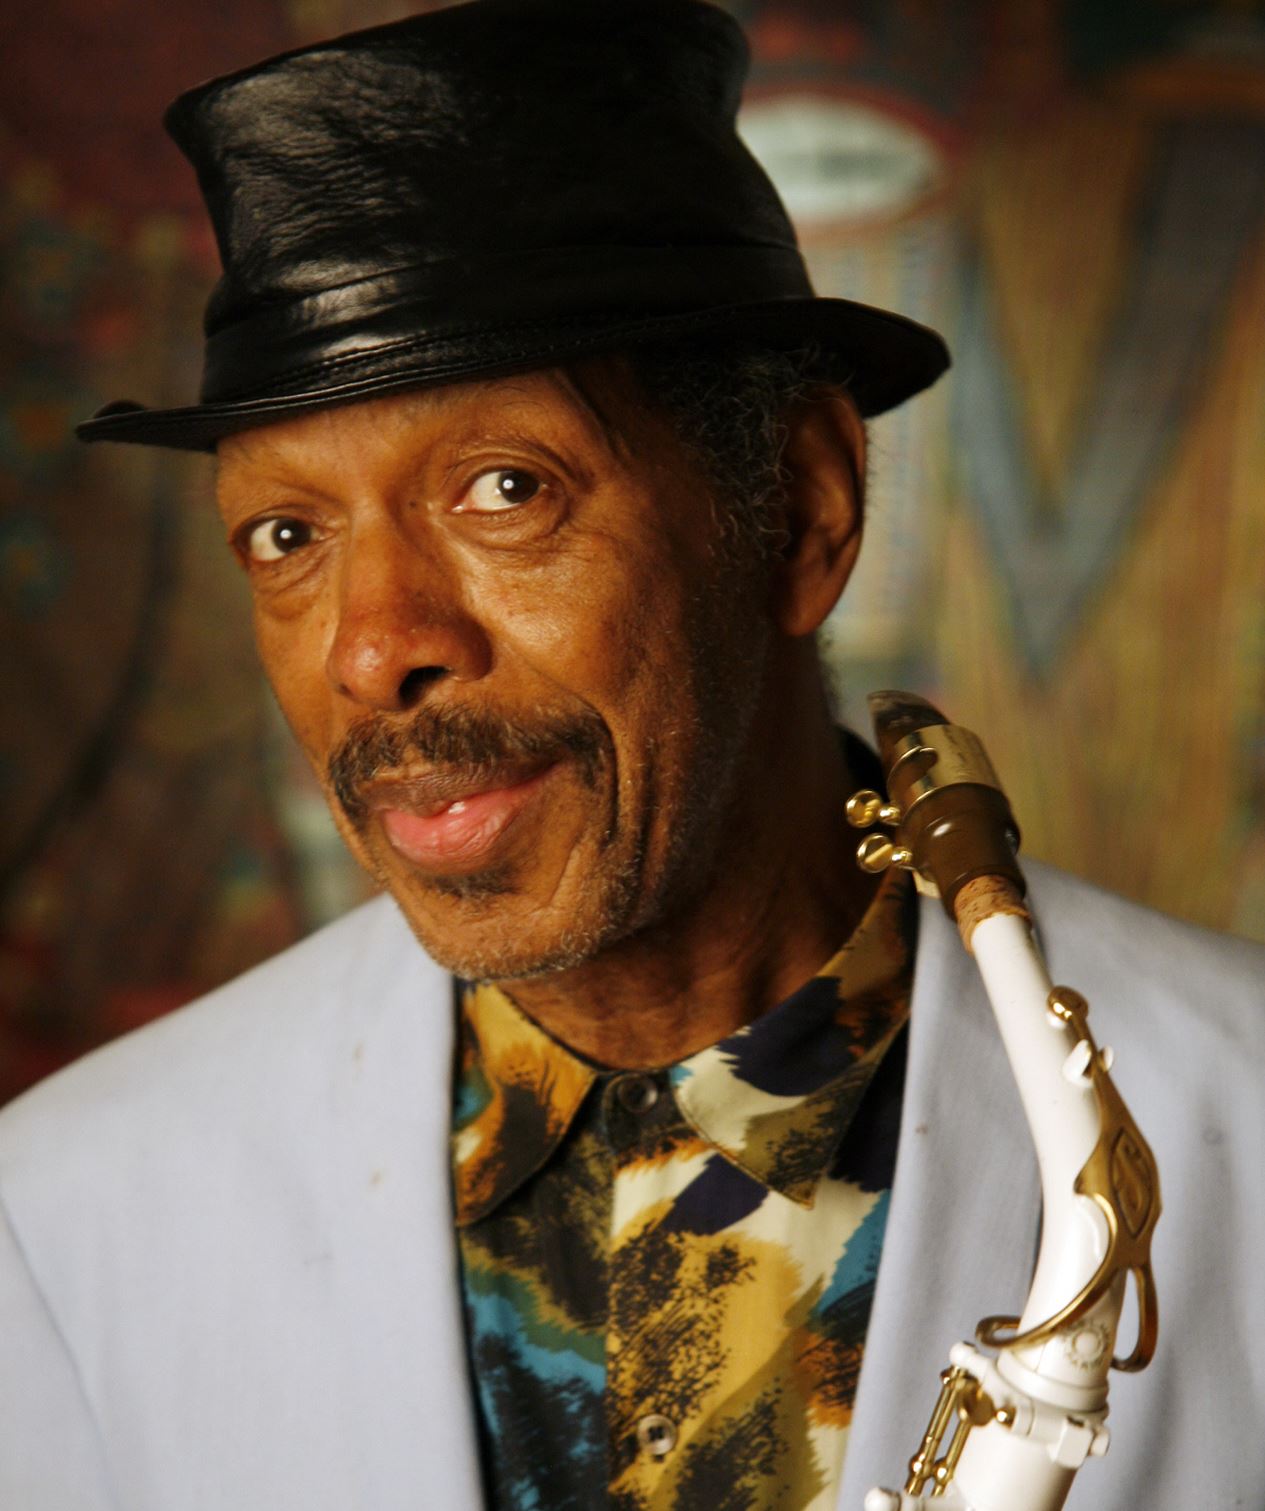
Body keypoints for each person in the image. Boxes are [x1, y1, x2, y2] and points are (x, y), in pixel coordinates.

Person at [1, 2, 1261, 1509]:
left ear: (800, 512)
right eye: (286, 535)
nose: (372, 649)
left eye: (503, 488)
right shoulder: (62, 1214)